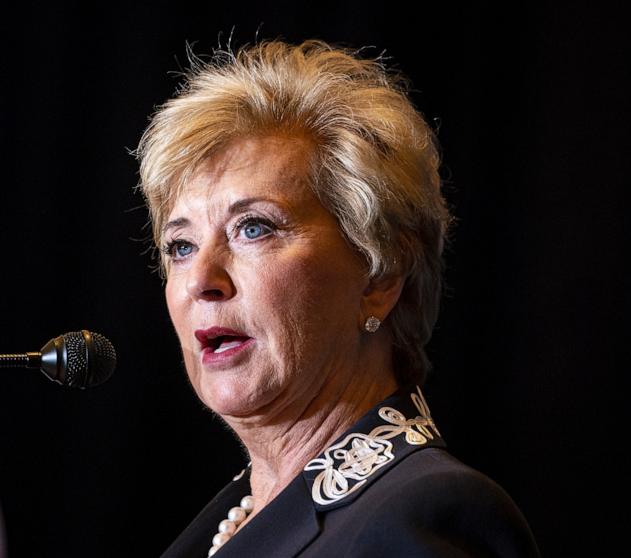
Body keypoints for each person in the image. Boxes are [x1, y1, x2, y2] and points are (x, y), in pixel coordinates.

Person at [135, 40, 539, 557]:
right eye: (181, 246)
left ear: (378, 277)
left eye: (253, 228)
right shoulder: (233, 517)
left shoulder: (424, 516)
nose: (200, 280)